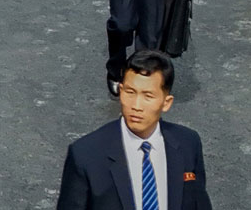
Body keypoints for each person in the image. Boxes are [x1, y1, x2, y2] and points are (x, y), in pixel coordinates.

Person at [56, 51, 212, 210]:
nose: (136, 106)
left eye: (148, 96)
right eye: (130, 93)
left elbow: (198, 202)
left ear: (166, 102)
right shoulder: (86, 155)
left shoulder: (187, 143)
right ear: (121, 91)